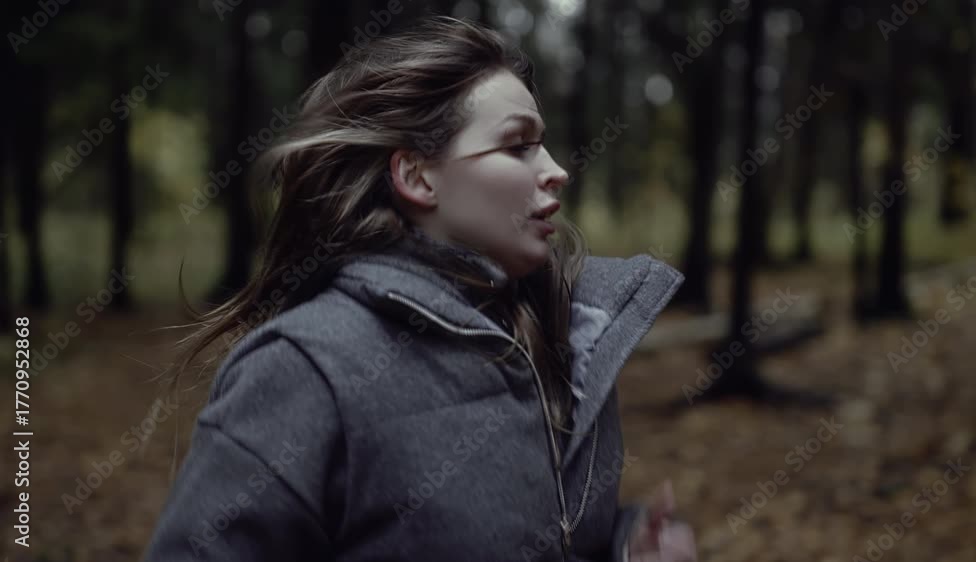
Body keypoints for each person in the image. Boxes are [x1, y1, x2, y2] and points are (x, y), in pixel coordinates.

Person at [143, 15, 695, 562]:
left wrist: (625, 549)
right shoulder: (305, 367)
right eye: (517, 145)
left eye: (543, 143)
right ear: (416, 176)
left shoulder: (569, 338)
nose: (556, 171)